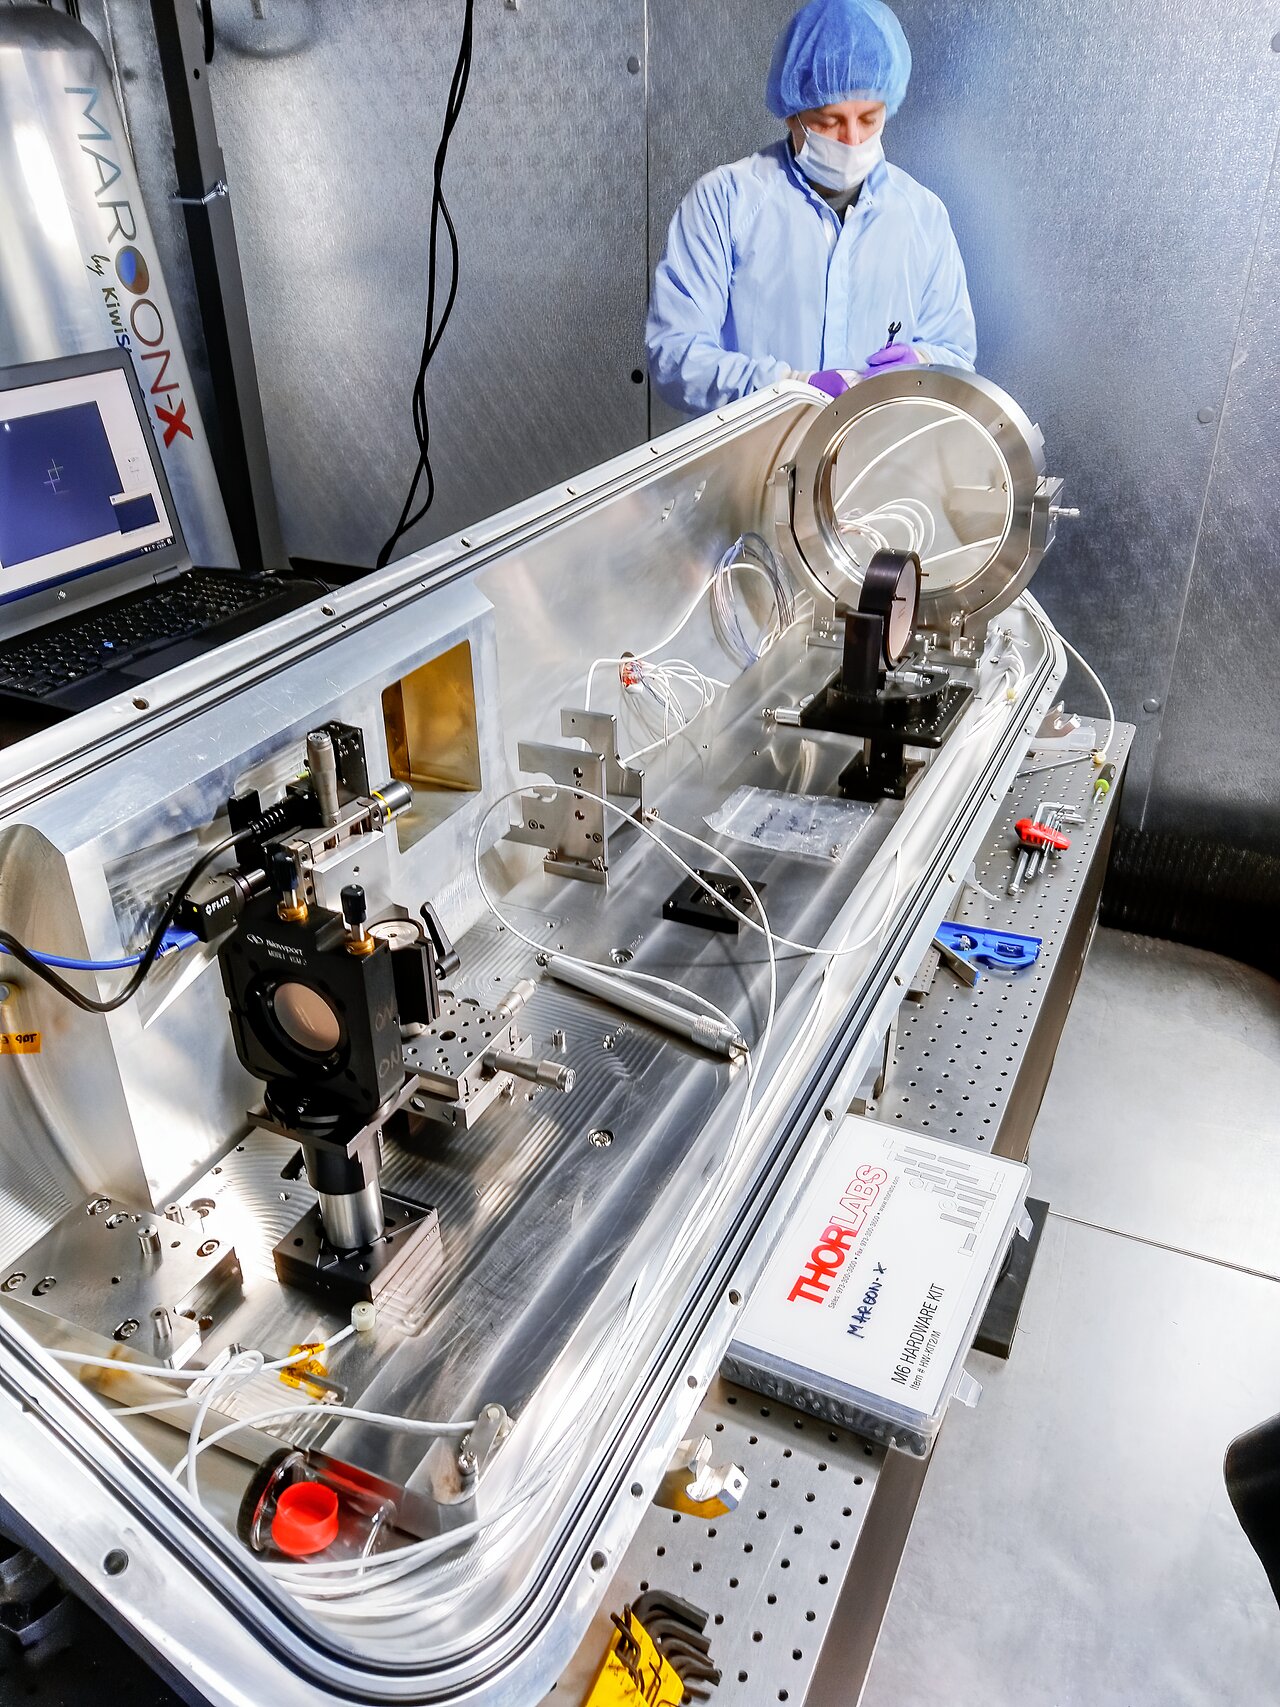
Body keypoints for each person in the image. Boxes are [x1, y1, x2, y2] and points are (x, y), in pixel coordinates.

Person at [646, 0, 976, 416]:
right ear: (792, 114)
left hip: (878, 470)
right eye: (827, 119)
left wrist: (922, 364)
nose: (852, 139)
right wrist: (789, 388)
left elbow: (957, 356)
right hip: (755, 471)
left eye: (869, 118)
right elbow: (675, 355)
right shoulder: (725, 202)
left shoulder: (923, 215)